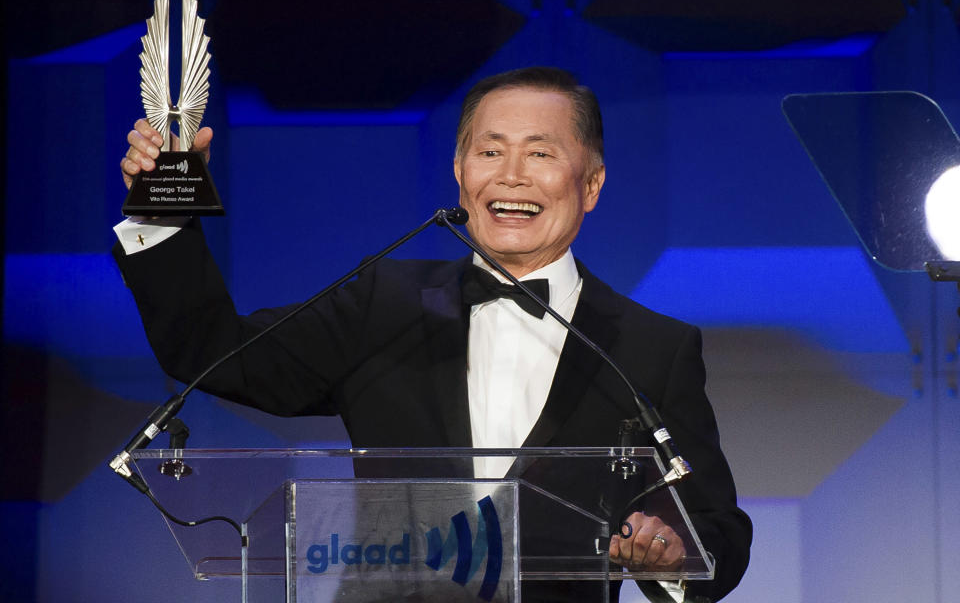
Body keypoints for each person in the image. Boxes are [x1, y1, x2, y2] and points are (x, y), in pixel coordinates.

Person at [116, 67, 751, 602]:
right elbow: (216, 355)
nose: (510, 174)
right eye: (490, 150)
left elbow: (717, 530)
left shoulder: (651, 348)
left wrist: (669, 556)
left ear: (590, 185)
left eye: (540, 152)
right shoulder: (383, 304)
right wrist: (161, 213)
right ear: (459, 172)